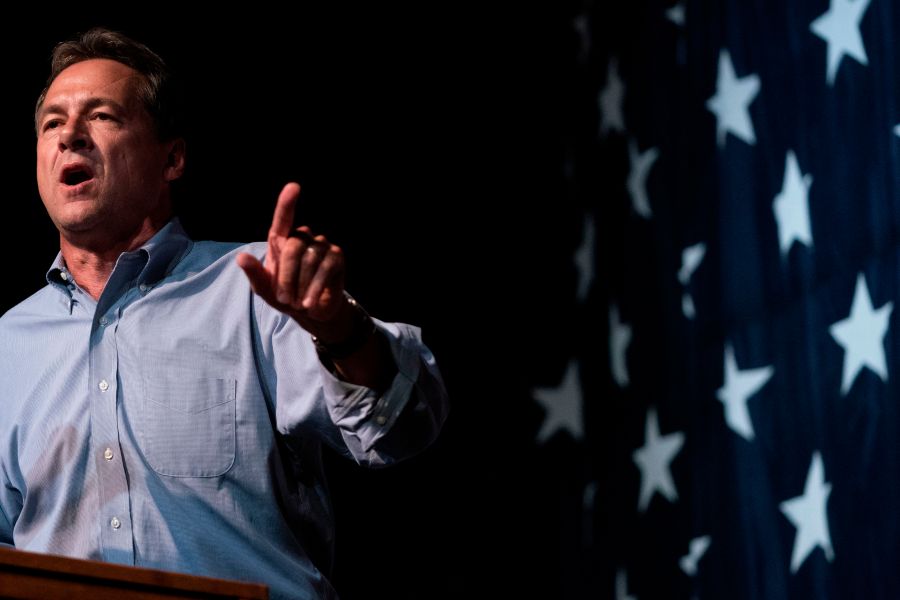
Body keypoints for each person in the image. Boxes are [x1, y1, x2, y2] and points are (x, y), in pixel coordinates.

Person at [0, 27, 448, 600]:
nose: (70, 138)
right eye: (52, 123)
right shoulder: (10, 342)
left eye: (102, 116)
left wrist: (341, 330)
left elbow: (404, 428)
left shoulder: (252, 288)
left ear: (173, 157)